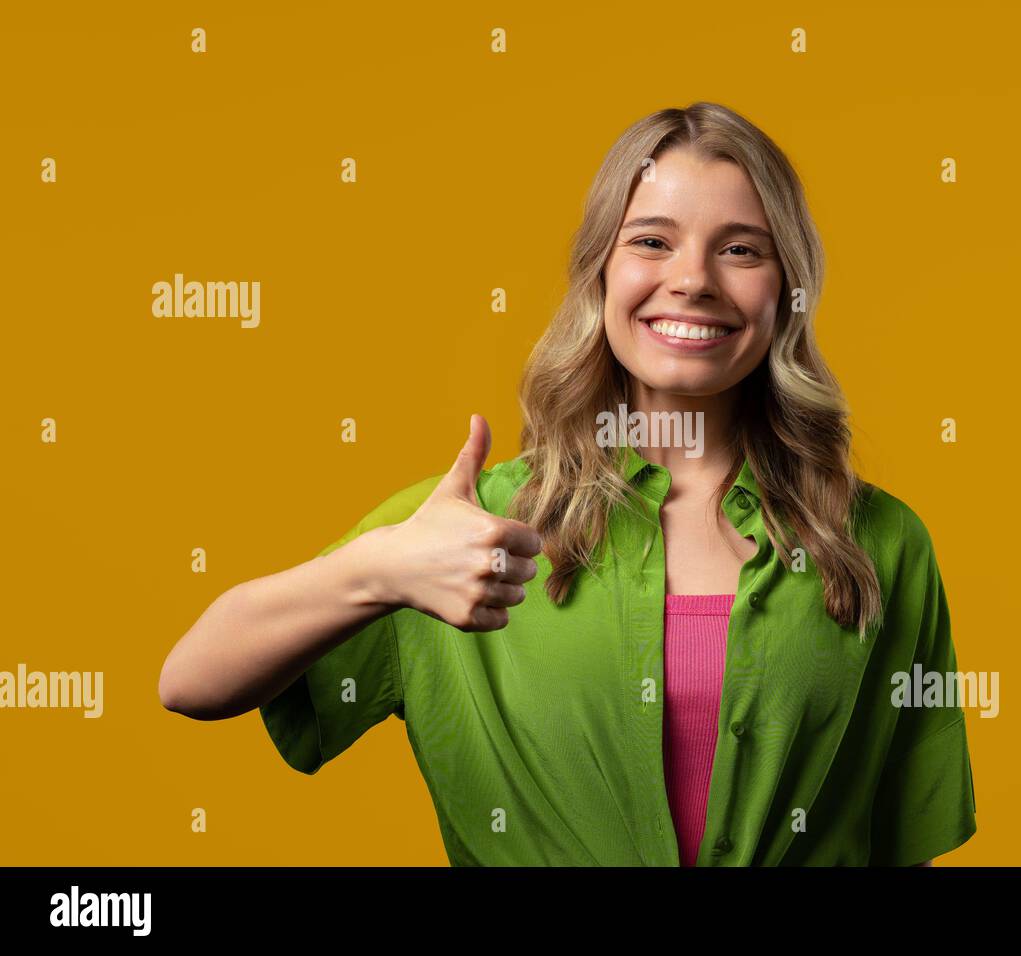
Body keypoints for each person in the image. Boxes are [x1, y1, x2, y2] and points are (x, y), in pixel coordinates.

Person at [159, 101, 976, 867]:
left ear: (785, 289)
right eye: (651, 241)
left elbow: (905, 843)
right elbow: (192, 681)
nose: (693, 279)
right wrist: (380, 572)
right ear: (598, 274)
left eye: (740, 248)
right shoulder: (466, 528)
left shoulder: (877, 544)